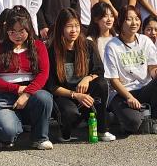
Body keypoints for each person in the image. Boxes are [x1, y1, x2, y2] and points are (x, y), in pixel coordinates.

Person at [0, 7, 54, 149]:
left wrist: (27, 93)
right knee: (7, 133)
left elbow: (43, 73)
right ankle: (12, 128)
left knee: (44, 98)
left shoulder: (38, 46)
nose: (17, 35)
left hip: (32, 92)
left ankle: (40, 137)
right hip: (4, 95)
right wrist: (16, 89)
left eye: (22, 31)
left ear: (29, 29)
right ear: (6, 30)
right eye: (12, 32)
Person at [44, 9, 114, 141]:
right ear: (61, 28)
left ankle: (101, 129)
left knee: (102, 84)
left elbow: (99, 71)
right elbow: (51, 86)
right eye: (69, 26)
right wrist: (75, 95)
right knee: (70, 115)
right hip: (64, 96)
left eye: (76, 26)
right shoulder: (51, 51)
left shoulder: (88, 45)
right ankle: (67, 126)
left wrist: (87, 78)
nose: (74, 30)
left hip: (85, 93)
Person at [103, 6, 157, 135]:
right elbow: (113, 80)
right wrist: (129, 97)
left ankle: (154, 120)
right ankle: (119, 116)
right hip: (121, 93)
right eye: (129, 19)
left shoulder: (145, 41)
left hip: (143, 88)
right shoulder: (112, 46)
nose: (134, 23)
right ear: (120, 22)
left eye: (137, 19)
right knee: (133, 124)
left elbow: (152, 69)